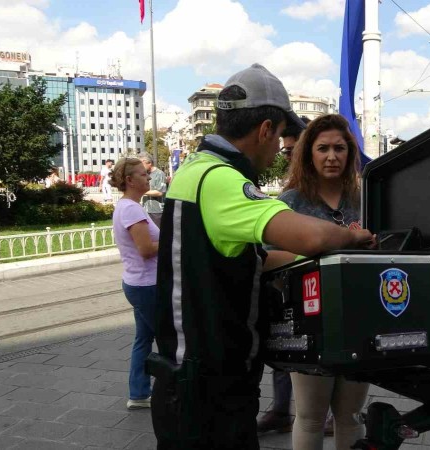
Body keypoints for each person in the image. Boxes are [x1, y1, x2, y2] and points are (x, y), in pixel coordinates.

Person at [150, 63, 375, 449]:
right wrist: (357, 240)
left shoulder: (194, 169)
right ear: (265, 130)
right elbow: (310, 236)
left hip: (189, 375)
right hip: (209, 384)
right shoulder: (219, 179)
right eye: (281, 137)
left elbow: (247, 259)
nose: (279, 150)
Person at [274, 114, 369, 450]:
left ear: (350, 153)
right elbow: (266, 258)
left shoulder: (366, 201)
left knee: (351, 415)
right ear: (308, 153)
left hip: (361, 319)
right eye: (323, 148)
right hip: (310, 322)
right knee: (312, 416)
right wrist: (314, 261)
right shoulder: (290, 203)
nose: (332, 156)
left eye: (340, 148)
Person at [256, 115, 318, 436]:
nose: (289, 158)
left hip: (325, 296)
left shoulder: (347, 194)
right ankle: (282, 410)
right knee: (285, 347)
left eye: (293, 152)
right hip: (291, 290)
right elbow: (266, 252)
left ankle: (329, 414)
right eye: (285, 152)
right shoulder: (290, 196)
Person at [110, 157, 159, 410]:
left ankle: (138, 393)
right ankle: (172, 390)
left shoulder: (129, 206)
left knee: (143, 339)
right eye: (142, 174)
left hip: (139, 282)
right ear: (129, 180)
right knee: (168, 337)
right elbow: (146, 249)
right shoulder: (131, 209)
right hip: (147, 285)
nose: (148, 177)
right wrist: (175, 241)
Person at [138, 154, 167, 228]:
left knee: (157, 236)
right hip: (146, 209)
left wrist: (142, 191)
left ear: (149, 163)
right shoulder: (144, 174)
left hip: (157, 211)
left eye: (142, 164)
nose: (140, 166)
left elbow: (160, 192)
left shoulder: (159, 174)